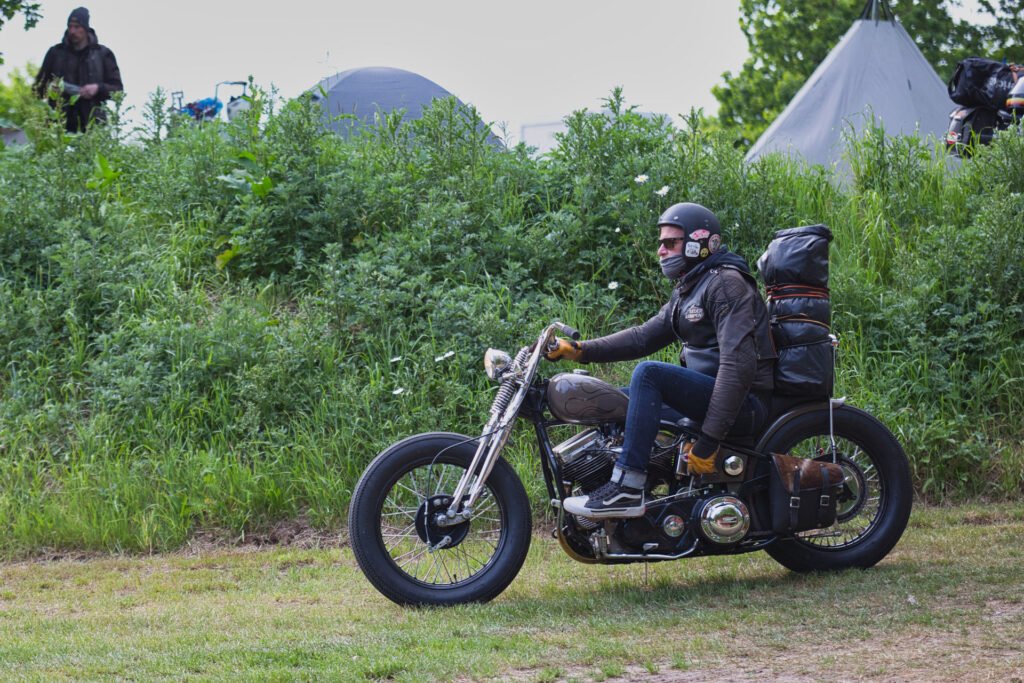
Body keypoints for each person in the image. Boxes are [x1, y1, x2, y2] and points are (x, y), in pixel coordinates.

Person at [547, 202, 776, 518]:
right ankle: (639, 490)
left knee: (649, 375)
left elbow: (739, 366)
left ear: (700, 243)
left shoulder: (726, 283)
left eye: (670, 243)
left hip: (744, 404)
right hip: (711, 397)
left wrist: (709, 441)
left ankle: (627, 487)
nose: (661, 251)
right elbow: (644, 337)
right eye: (660, 243)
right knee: (615, 401)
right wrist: (580, 349)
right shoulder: (691, 287)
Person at [33, 7, 123, 133]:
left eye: (77, 27)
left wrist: (97, 88)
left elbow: (118, 90)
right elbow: (37, 90)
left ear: (85, 28)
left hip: (93, 127)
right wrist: (52, 89)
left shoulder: (103, 54)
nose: (72, 31)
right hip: (58, 128)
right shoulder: (55, 53)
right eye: (70, 26)